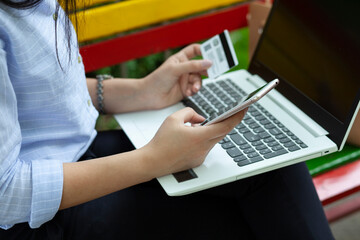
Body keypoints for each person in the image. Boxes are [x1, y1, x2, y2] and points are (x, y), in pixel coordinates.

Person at [1, 0, 358, 239]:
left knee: (269, 166)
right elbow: (6, 193)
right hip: (39, 220)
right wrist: (155, 159)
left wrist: (143, 90)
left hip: (82, 155)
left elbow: (35, 96)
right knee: (251, 221)